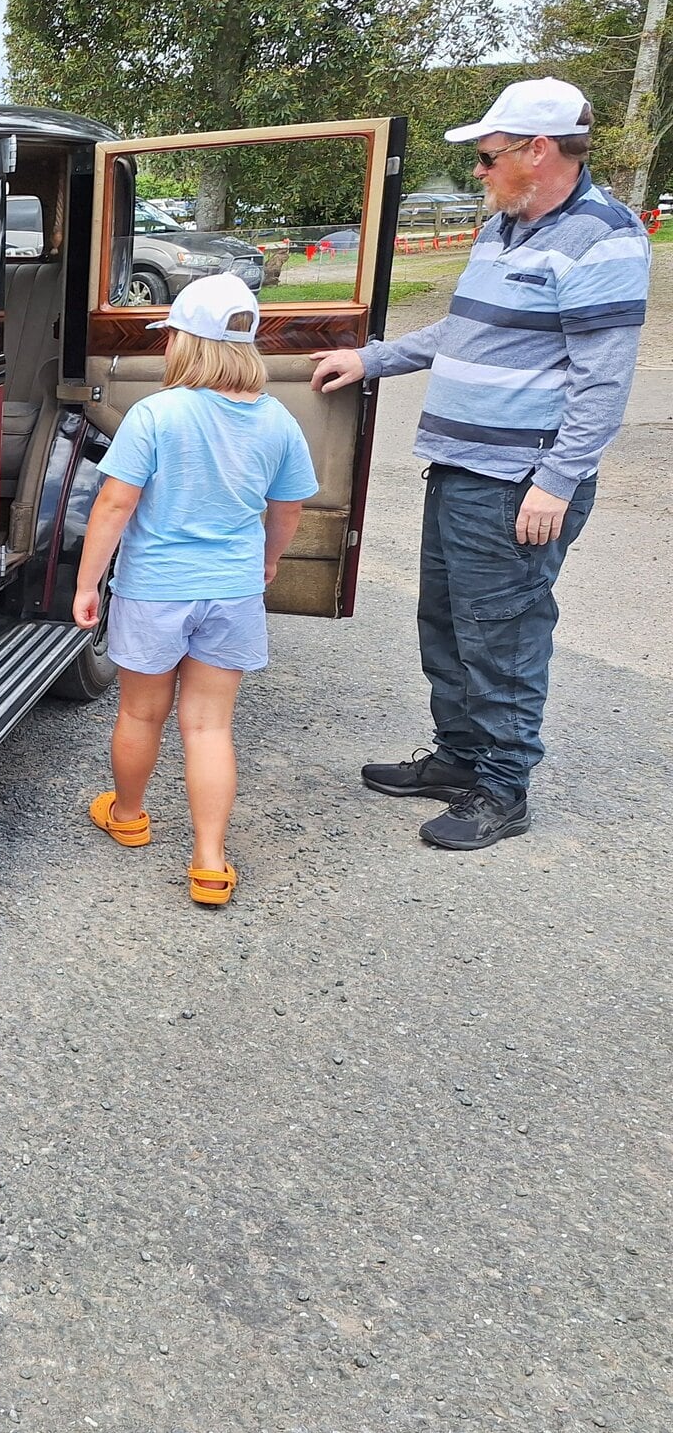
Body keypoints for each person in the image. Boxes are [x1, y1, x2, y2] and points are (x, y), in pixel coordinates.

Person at [309, 78, 649, 849]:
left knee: (503, 634)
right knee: (446, 622)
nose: (478, 170)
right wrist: (373, 358)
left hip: (517, 480)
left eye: (489, 157)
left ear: (540, 150)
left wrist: (555, 482)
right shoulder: (504, 226)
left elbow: (603, 382)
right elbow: (463, 330)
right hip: (461, 466)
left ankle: (502, 788)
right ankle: (459, 759)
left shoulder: (602, 236)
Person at [74, 274, 319, 906]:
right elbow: (288, 508)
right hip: (231, 591)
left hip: (155, 588)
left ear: (185, 342)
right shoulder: (278, 420)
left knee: (140, 713)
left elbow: (114, 505)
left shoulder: (156, 414)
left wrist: (87, 581)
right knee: (209, 726)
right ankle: (210, 862)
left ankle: (128, 815)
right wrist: (268, 561)